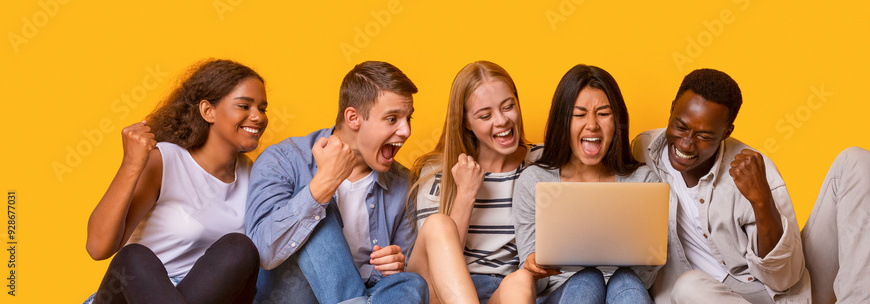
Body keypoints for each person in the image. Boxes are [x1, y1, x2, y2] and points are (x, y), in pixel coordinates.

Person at [632, 68, 870, 303]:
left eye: (704, 136)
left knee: (860, 162)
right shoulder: (644, 150)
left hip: (790, 293)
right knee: (688, 287)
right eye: (681, 127)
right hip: (710, 297)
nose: (686, 144)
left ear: (726, 132)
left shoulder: (752, 169)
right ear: (672, 109)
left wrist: (761, 201)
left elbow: (785, 279)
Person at [84, 59, 266, 303]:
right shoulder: (164, 161)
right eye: (244, 106)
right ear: (207, 111)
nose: (257, 117)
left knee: (240, 249)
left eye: (262, 109)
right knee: (134, 257)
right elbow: (98, 248)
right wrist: (131, 164)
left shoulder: (252, 174)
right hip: (133, 295)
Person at [246, 61, 428, 304]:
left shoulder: (404, 183)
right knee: (318, 207)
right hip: (293, 297)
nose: (406, 131)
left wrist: (395, 264)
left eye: (408, 119)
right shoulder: (284, 159)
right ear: (353, 117)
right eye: (392, 119)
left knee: (412, 283)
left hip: (366, 295)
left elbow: (389, 281)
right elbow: (263, 253)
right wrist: (322, 186)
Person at [512, 64, 662, 304]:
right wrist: (534, 267)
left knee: (627, 281)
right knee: (588, 279)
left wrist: (649, 255)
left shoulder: (644, 182)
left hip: (625, 292)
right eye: (579, 114)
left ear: (617, 122)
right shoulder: (535, 181)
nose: (592, 125)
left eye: (603, 114)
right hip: (562, 295)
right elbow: (536, 284)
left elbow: (646, 278)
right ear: (562, 122)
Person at [405, 61, 540, 304]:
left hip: (504, 291)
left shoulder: (542, 164)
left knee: (520, 280)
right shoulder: (435, 171)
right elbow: (438, 260)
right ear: (466, 122)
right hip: (440, 291)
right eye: (485, 115)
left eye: (508, 107)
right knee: (437, 225)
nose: (501, 121)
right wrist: (466, 193)